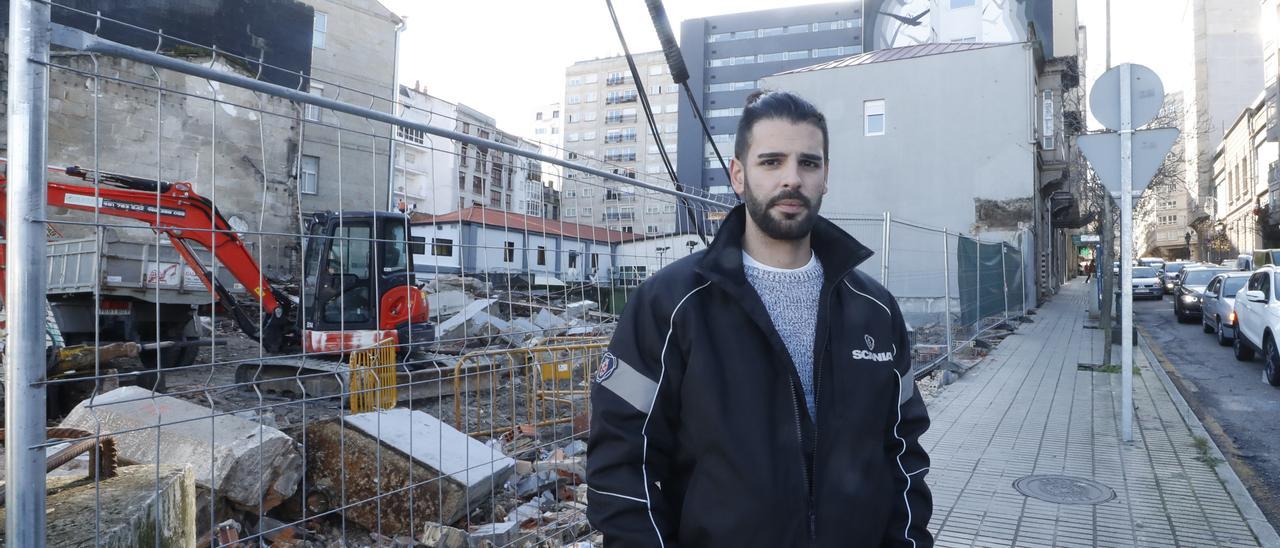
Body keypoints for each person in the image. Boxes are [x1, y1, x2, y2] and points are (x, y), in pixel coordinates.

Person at [587, 91, 932, 547]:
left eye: (808, 163)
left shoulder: (876, 310)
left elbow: (904, 454)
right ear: (738, 175)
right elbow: (621, 459)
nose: (792, 179)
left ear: (825, 175)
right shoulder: (670, 306)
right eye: (771, 162)